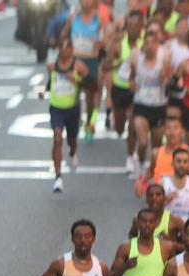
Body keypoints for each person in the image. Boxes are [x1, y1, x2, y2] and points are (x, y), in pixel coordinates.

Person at [129, 25, 175, 177]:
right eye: (147, 43)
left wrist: (165, 75)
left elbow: (168, 82)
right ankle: (141, 166)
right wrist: (132, 83)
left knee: (156, 146)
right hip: (141, 105)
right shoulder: (137, 59)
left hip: (158, 106)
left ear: (157, 45)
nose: (149, 46)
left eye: (153, 43)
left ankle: (153, 170)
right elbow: (131, 76)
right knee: (142, 142)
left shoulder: (164, 60)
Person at [66, 0, 108, 138]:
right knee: (75, 94)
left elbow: (107, 40)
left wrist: (100, 43)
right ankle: (76, 121)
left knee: (90, 97)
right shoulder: (73, 17)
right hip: (76, 59)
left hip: (91, 61)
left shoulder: (98, 19)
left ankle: (90, 122)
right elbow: (64, 34)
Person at [46, 39, 84, 191]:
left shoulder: (78, 66)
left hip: (72, 109)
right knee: (57, 138)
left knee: (71, 141)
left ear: (72, 49)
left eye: (67, 46)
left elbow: (90, 84)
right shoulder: (52, 67)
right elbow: (50, 83)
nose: (63, 49)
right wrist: (45, 90)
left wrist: (76, 80)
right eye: (60, 46)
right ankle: (58, 176)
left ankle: (73, 152)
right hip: (56, 108)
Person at [105, 9, 147, 147]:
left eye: (136, 26)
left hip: (137, 90)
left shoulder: (146, 45)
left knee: (133, 124)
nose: (133, 29)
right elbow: (105, 66)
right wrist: (119, 64)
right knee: (119, 128)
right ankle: (118, 122)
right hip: (120, 89)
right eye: (130, 26)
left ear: (142, 26)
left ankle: (131, 156)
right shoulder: (118, 45)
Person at [160, 146, 189, 222]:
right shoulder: (162, 183)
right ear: (172, 163)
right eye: (178, 161)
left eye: (185, 161)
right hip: (168, 225)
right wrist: (165, 200)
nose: (182, 165)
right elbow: (154, 205)